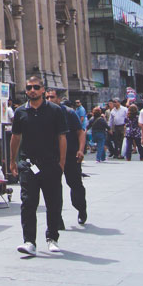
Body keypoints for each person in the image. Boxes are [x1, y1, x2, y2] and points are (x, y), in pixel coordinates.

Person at [9, 73, 67, 256]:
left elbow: (62, 138)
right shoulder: (20, 112)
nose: (32, 91)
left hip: (50, 163)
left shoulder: (55, 111)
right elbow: (15, 137)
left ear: (43, 90)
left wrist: (62, 163)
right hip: (28, 164)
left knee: (53, 203)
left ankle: (52, 238)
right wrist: (12, 160)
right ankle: (29, 241)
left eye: (36, 87)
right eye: (28, 88)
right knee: (28, 202)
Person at [46, 89, 87, 226]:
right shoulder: (45, 113)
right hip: (53, 156)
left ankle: (81, 208)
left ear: (59, 98)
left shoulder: (69, 113)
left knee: (75, 184)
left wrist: (81, 150)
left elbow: (81, 133)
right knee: (54, 188)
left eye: (52, 97)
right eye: (47, 97)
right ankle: (57, 219)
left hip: (71, 155)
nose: (49, 100)